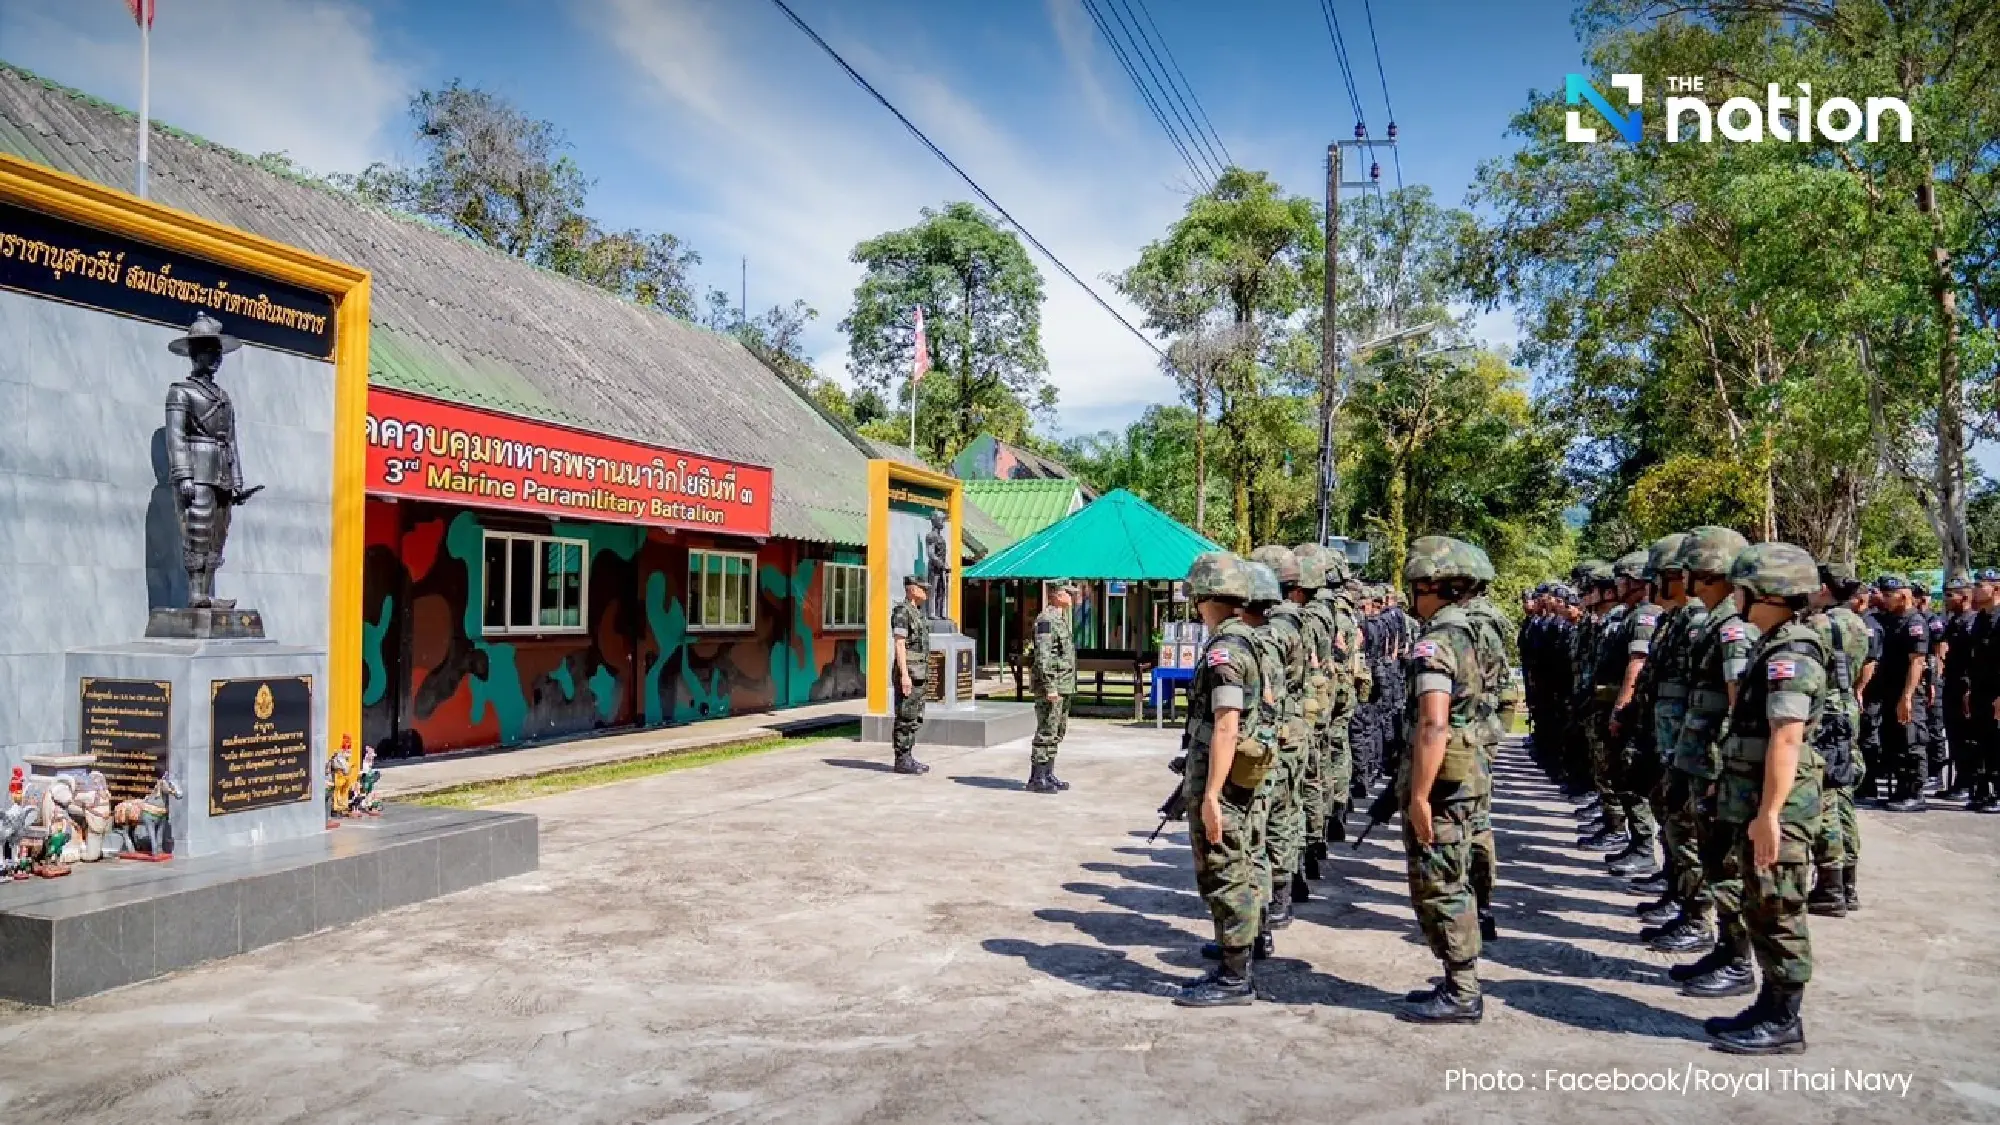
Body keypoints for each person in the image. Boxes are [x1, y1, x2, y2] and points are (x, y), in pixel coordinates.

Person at [1707, 542, 1829, 1055]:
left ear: (1766, 593)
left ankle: (1784, 1019)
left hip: (1779, 807)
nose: (1735, 595)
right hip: (1756, 798)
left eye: (1742, 587)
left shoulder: (1792, 655)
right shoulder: (1772, 644)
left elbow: (1786, 737)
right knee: (1760, 903)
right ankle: (1768, 1003)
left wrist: (1770, 815)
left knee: (1778, 907)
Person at [1395, 536, 1492, 1023]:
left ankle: (1462, 990)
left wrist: (1417, 796)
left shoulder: (1436, 643)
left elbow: (1434, 723)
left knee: (1441, 883)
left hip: (1443, 785)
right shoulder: (1468, 632)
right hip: (1466, 776)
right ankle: (1459, 978)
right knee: (1454, 878)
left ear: (1430, 585)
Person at [1175, 553, 1278, 1008]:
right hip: (1242, 776)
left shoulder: (1225, 649)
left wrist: (1212, 795)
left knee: (1225, 869)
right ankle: (1240, 955)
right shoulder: (1248, 639)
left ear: (1206, 596)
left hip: (1228, 782)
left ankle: (1235, 979)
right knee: (1241, 863)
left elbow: (1226, 724)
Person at [1658, 527, 1755, 986]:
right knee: (1710, 856)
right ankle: (1722, 945)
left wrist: (1727, 768)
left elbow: (1738, 704)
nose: (1685, 579)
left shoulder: (1732, 627)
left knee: (1725, 862)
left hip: (1717, 760)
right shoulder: (1717, 620)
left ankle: (1738, 959)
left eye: (1692, 570)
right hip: (1701, 756)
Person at [1637, 533, 1709, 951]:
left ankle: (1698, 916)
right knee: (1672, 822)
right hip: (1670, 739)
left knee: (1688, 828)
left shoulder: (1698, 620)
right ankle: (1679, 896)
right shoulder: (1677, 619)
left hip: (1688, 742)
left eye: (1662, 577)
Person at [1247, 548, 1311, 932]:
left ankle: (1270, 909)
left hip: (1274, 733)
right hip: (1294, 728)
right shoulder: (1297, 622)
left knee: (1265, 823)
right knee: (1286, 812)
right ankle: (1282, 897)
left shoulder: (1272, 631)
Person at [1806, 563, 1871, 918]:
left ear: (1825, 588)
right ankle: (1847, 883)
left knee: (1825, 797)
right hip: (1846, 708)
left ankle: (1830, 886)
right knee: (1843, 795)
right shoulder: (1859, 624)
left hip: (1825, 713)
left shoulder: (1819, 624)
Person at [1459, 544, 1511, 944]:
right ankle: (1481, 902)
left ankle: (1472, 902)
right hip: (1484, 725)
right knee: (1478, 816)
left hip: (1468, 728)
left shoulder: (1467, 624)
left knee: (1469, 819)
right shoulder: (1492, 619)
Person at [1868, 575, 1931, 812]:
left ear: (1903, 595)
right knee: (1893, 740)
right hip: (1890, 689)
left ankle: (1915, 792)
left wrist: (1907, 697)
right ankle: (1900, 789)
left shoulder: (1915, 622)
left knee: (1911, 739)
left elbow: (1917, 662)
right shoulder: (1890, 619)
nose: (1884, 599)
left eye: (1888, 595)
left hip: (1909, 691)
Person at [1027, 581, 1079, 793]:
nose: (1072, 597)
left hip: (1064, 684)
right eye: (1069, 593)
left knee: (1057, 730)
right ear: (1057, 595)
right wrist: (1050, 687)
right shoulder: (1046, 620)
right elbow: (1043, 657)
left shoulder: (1059, 619)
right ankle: (1037, 778)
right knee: (1046, 730)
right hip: (1053, 686)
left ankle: (1048, 773)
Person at [889, 576, 933, 775]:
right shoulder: (902, 612)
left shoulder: (918, 613)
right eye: (923, 588)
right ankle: (902, 759)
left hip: (920, 673)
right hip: (910, 674)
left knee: (915, 716)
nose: (927, 592)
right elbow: (899, 644)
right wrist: (904, 676)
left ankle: (908, 756)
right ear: (913, 589)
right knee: (905, 716)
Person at [1965, 569, 2000, 814]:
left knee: (1997, 742)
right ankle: (1983, 790)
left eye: (1980, 585)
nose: (1975, 590)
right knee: (1980, 741)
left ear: (1995, 588)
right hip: (1980, 690)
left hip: (1998, 691)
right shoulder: (1980, 619)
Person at [1940, 574, 1974, 799]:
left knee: (1966, 736)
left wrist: (1970, 689)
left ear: (1964, 597)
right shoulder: (1954, 620)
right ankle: (1959, 781)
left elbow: (1974, 659)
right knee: (1954, 735)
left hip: (1965, 685)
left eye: (1950, 595)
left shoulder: (1972, 622)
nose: (1946, 600)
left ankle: (1967, 782)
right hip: (1952, 684)